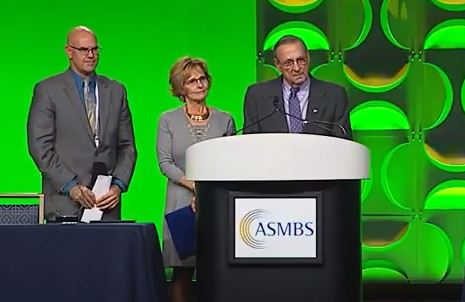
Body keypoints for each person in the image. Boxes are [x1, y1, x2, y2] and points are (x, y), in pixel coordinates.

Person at [27, 26, 136, 221]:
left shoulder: (116, 91)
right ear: (69, 52)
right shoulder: (48, 90)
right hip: (64, 204)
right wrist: (71, 187)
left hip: (106, 206)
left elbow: (127, 146)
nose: (91, 55)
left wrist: (118, 186)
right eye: (84, 50)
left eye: (95, 49)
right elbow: (40, 147)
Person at [156, 56, 235, 302]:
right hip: (180, 202)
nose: (199, 84)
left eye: (202, 79)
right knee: (182, 272)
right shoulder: (167, 120)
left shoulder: (226, 119)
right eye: (191, 81)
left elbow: (231, 161)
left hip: (215, 201)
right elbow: (165, 162)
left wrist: (208, 190)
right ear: (181, 88)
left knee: (216, 268)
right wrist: (194, 185)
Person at [243, 35, 352, 139]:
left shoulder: (334, 95)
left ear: (308, 57)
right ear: (277, 64)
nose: (297, 68)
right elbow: (250, 144)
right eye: (288, 63)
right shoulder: (257, 96)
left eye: (301, 60)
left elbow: (343, 144)